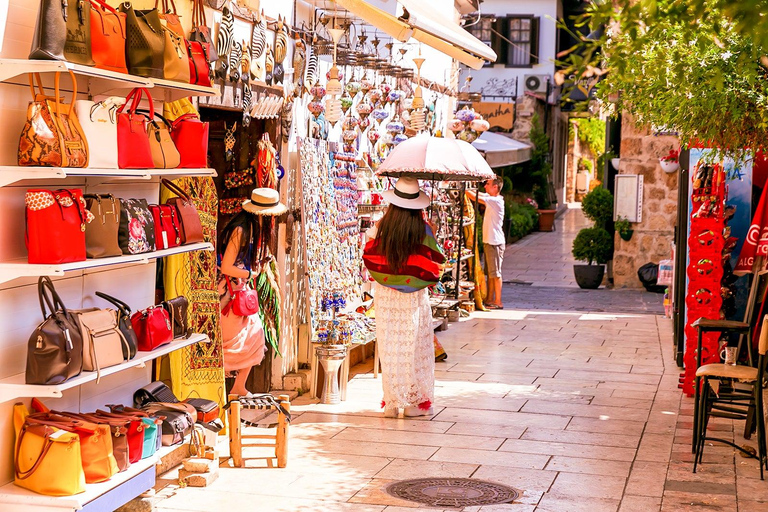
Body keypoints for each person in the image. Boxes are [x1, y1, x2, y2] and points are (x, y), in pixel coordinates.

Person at [363, 177, 445, 418]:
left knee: (390, 347)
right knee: (413, 346)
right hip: (413, 296)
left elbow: (369, 254)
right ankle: (412, 404)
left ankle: (391, 403)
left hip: (386, 294)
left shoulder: (380, 227)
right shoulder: (423, 229)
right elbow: (433, 262)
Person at [218, 188, 286, 397]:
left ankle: (238, 387)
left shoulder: (249, 229)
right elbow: (226, 266)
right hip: (229, 292)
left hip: (239, 290)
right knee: (231, 343)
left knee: (254, 337)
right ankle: (223, 389)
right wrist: (250, 272)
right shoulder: (241, 230)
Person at [467, 176, 505, 309]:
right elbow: (479, 194)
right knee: (490, 273)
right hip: (490, 241)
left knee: (495, 273)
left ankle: (498, 301)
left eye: (487, 184)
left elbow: (474, 197)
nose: (485, 186)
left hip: (495, 242)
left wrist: (462, 186)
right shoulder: (493, 199)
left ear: (495, 187)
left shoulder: (495, 201)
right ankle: (490, 299)